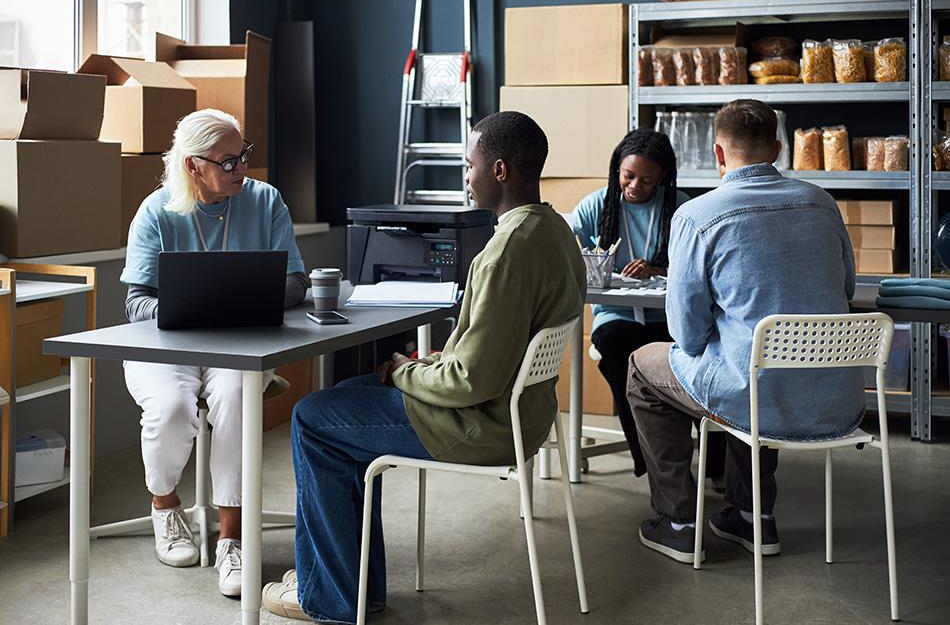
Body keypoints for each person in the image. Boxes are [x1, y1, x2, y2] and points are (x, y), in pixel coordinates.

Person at [260, 111, 586, 623]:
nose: (466, 175)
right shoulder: (555, 232)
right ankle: (355, 587)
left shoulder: (503, 256)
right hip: (526, 415)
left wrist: (404, 371)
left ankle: (330, 598)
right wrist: (416, 365)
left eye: (470, 165)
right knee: (343, 397)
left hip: (481, 424)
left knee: (311, 418)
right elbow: (487, 356)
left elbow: (471, 380)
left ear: (499, 170)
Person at [627, 99, 864, 563]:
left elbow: (686, 335)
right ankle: (754, 516)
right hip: (838, 399)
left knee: (643, 366)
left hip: (758, 394)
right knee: (747, 360)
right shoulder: (822, 202)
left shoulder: (698, 215)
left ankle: (679, 522)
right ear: (778, 149)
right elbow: (846, 288)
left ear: (717, 153)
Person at [120, 108, 308, 595]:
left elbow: (295, 282)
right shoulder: (156, 211)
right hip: (168, 347)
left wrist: (241, 304)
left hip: (241, 345)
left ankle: (232, 539)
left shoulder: (265, 201)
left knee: (235, 397)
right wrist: (194, 311)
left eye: (243, 155)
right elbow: (137, 302)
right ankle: (165, 507)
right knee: (172, 406)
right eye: (228, 162)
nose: (241, 168)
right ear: (193, 166)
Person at [571, 128, 716, 479]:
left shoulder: (680, 207)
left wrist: (657, 269)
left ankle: (712, 465)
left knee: (701, 363)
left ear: (662, 177)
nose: (635, 186)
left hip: (668, 317)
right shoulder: (595, 206)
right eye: (628, 176)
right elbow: (572, 257)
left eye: (647, 180)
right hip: (616, 316)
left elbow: (697, 267)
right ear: (616, 170)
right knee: (619, 353)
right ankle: (651, 463)